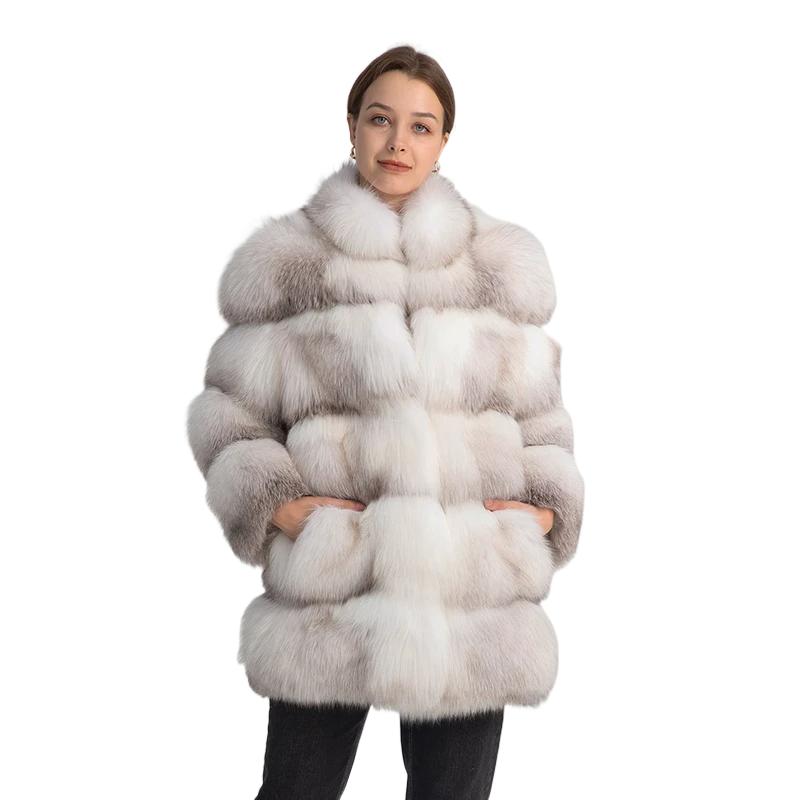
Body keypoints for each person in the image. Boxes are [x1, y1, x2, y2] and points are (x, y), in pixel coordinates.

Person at [186, 44, 585, 800]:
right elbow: (227, 415)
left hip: (468, 597)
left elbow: (542, 417)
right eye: (380, 119)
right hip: (332, 590)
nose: (398, 142)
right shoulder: (287, 263)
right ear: (352, 126)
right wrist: (279, 505)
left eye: (421, 126)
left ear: (443, 142)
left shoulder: (499, 267)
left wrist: (538, 513)